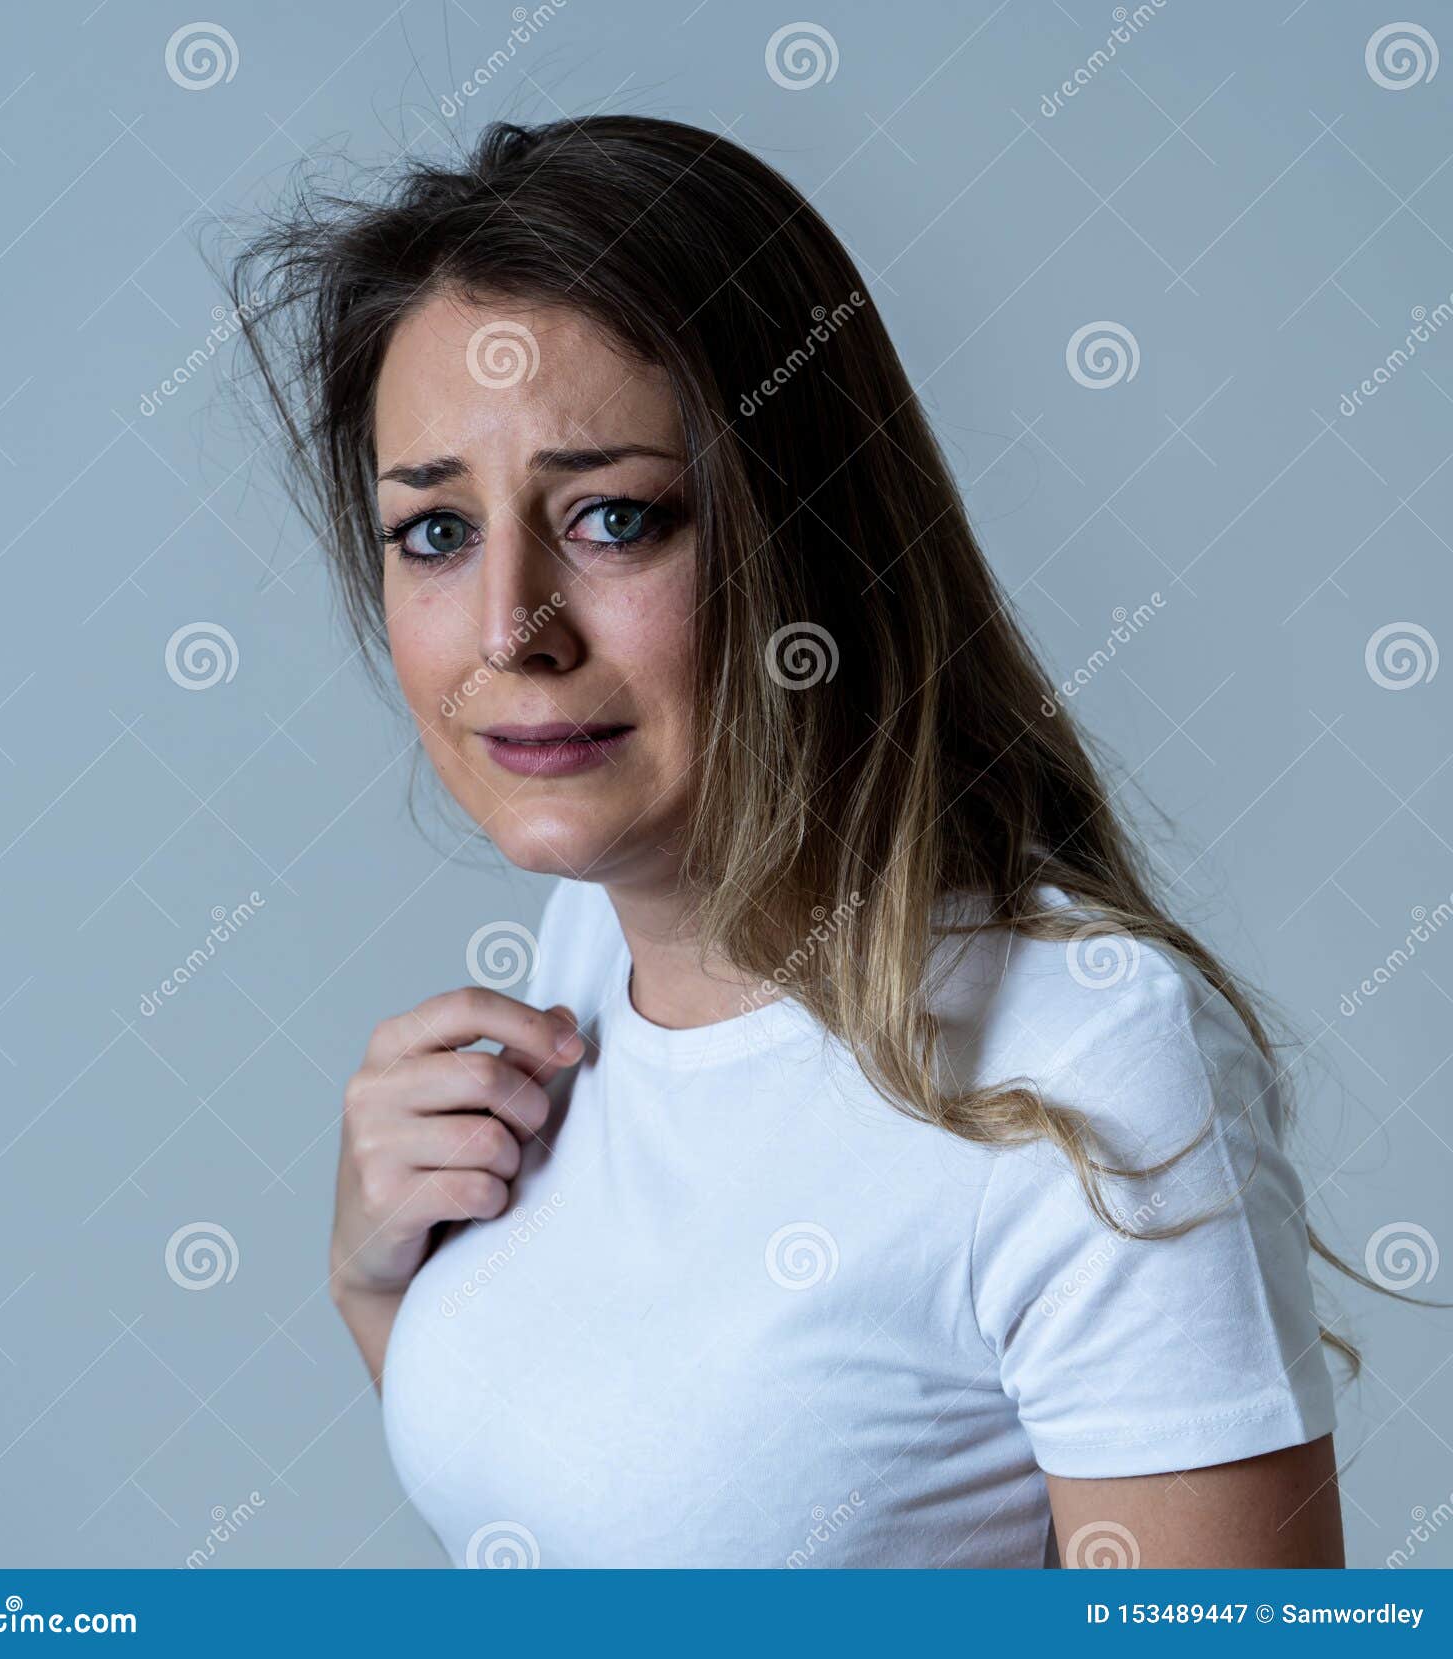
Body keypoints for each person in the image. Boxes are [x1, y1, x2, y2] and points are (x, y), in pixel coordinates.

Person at [230, 114, 1352, 1568]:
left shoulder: (1093, 1059)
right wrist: (375, 1285)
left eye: (614, 517)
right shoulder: (593, 943)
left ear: (810, 534)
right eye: (435, 533)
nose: (513, 629)